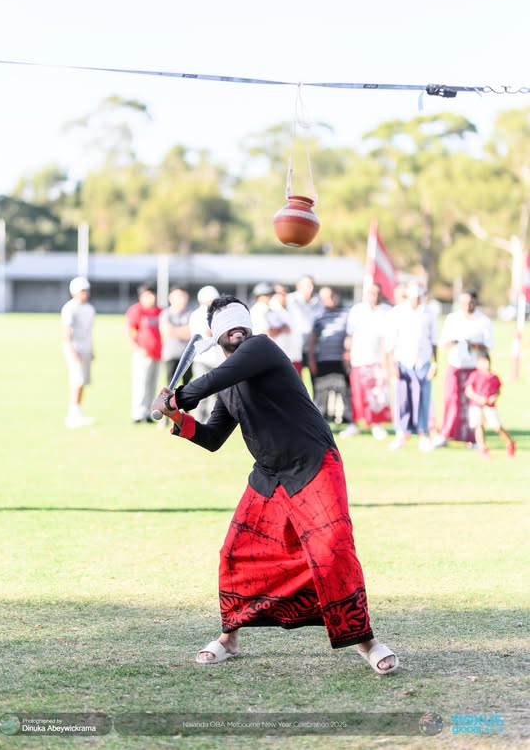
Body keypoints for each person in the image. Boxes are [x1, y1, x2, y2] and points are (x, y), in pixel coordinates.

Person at [151, 295, 398, 674]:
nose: (236, 327)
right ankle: (229, 640)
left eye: (240, 319)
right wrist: (179, 419)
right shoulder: (229, 385)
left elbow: (211, 379)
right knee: (234, 554)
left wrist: (177, 397)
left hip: (313, 465)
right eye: (225, 323)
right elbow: (214, 437)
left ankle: (367, 642)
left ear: (248, 325)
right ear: (216, 335)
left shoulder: (261, 347)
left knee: (333, 552)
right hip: (270, 476)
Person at [433, 289, 494, 448]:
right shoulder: (453, 319)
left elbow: (488, 346)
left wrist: (472, 344)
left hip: (474, 368)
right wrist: (455, 342)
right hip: (456, 366)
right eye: (464, 303)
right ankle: (445, 434)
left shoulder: (483, 321)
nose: (467, 305)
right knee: (450, 400)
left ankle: (473, 438)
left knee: (472, 405)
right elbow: (443, 343)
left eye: (470, 302)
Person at [384, 281, 439, 451]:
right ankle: (402, 432)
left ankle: (423, 434)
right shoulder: (398, 312)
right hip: (403, 360)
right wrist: (392, 363)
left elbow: (434, 340)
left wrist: (435, 363)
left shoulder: (429, 313)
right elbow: (391, 341)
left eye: (418, 297)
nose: (416, 300)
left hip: (423, 361)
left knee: (423, 397)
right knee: (403, 398)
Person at [340, 282, 391, 441]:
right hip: (359, 358)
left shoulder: (387, 311)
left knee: (377, 394)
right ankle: (354, 424)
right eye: (371, 293)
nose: (374, 297)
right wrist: (347, 353)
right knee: (357, 393)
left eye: (377, 293)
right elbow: (350, 334)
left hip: (378, 360)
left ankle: (377, 425)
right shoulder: (357, 310)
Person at [308, 287, 351, 425]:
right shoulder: (319, 315)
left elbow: (350, 335)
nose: (330, 300)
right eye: (325, 298)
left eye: (331, 296)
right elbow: (313, 340)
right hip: (323, 360)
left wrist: (348, 353)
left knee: (344, 390)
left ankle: (346, 419)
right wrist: (311, 360)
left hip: (341, 359)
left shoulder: (346, 313)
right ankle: (321, 420)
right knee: (322, 392)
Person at [465, 353, 516, 457]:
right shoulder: (474, 375)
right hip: (476, 404)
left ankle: (509, 442)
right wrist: (478, 398)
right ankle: (482, 447)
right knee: (478, 425)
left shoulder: (494, 377)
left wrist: (494, 397)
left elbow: (497, 390)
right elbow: (468, 390)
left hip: (489, 405)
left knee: (496, 425)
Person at [125, 283, 163, 423]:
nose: (150, 298)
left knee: (152, 385)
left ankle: (149, 412)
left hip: (157, 354)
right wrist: (137, 348)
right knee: (141, 385)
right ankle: (138, 413)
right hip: (142, 354)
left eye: (152, 294)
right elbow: (129, 332)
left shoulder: (159, 311)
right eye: (147, 295)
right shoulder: (137, 310)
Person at [61, 276, 95, 428]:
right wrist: (71, 350)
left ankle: (78, 412)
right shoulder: (70, 308)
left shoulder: (89, 309)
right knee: (77, 380)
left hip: (86, 348)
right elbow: (66, 331)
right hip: (75, 348)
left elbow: (89, 331)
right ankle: (72, 414)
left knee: (83, 382)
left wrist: (92, 349)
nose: (84, 293)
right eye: (81, 291)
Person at [188, 285, 224, 423]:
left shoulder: (217, 313)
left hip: (216, 360)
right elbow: (208, 332)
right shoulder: (199, 314)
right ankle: (201, 420)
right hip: (203, 360)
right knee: (203, 392)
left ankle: (210, 421)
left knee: (213, 394)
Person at [287, 275, 324, 381]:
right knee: (294, 380)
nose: (310, 288)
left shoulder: (319, 302)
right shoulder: (290, 300)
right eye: (307, 285)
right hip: (294, 350)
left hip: (314, 349)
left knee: (316, 380)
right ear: (298, 286)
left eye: (312, 285)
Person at [160, 287, 193, 387]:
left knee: (187, 385)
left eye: (182, 296)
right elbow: (166, 331)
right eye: (177, 296)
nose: (180, 299)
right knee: (170, 385)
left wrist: (174, 330)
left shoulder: (190, 314)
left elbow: (191, 333)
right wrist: (183, 330)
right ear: (170, 297)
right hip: (171, 355)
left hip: (188, 355)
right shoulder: (166, 313)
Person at [270, 284, 303, 374]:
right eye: (279, 293)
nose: (283, 295)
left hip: (295, 356)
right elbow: (268, 332)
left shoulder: (293, 307)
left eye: (284, 292)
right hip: (279, 358)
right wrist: (281, 329)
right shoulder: (270, 309)